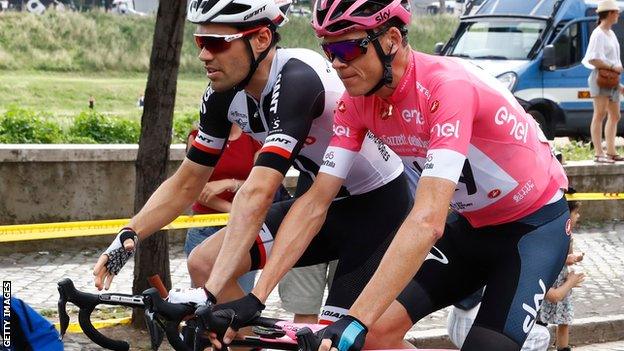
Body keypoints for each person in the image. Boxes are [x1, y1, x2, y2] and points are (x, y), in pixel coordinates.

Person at [209, 1, 569, 351]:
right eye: (328, 50)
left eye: (348, 48)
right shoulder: (356, 104)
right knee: (375, 336)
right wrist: (258, 297)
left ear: (392, 40)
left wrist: (355, 320)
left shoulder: (446, 88)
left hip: (533, 229)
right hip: (472, 227)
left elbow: (427, 220)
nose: (336, 64)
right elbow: (316, 202)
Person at [93, 0, 411, 336]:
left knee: (348, 341)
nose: (204, 55)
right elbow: (187, 181)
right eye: (200, 42)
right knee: (204, 261)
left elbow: (257, 192)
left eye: (216, 43)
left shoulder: (297, 78)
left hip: (379, 209)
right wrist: (129, 233)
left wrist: (208, 295)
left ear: (260, 39)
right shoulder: (222, 93)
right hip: (321, 202)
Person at [184, 123, 262, 293]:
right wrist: (234, 209)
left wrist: (230, 183)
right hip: (204, 227)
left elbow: (261, 184)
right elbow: (194, 188)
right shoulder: (199, 137)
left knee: (241, 295)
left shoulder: (254, 138)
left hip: (242, 228)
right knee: (202, 299)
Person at [537, 193, 585, 351]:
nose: (578, 216)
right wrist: (567, 260)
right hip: (551, 279)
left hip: (562, 280)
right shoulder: (550, 234)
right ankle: (537, 343)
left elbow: (566, 255)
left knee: (563, 321)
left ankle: (563, 347)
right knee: (540, 317)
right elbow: (548, 256)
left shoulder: (569, 235)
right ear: (566, 214)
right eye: (576, 212)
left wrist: (573, 258)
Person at [582, 0, 624, 163]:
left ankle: (611, 151)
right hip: (600, 78)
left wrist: (618, 83)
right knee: (599, 114)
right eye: (616, 12)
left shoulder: (611, 33)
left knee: (615, 115)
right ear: (610, 14)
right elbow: (593, 59)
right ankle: (599, 153)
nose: (618, 15)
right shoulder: (598, 34)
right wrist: (613, 66)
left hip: (611, 79)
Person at [447, 288, 551, 351]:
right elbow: (555, 296)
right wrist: (568, 280)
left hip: (453, 325)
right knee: (543, 335)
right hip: (474, 330)